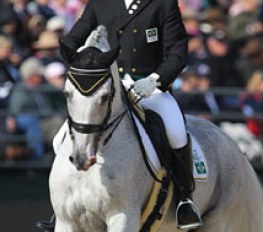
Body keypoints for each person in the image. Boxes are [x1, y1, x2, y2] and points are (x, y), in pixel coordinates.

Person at [38, 0, 202, 230]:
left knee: (175, 131)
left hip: (147, 87)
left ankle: (184, 200)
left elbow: (177, 51)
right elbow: (71, 42)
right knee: (60, 140)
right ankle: (62, 211)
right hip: (105, 86)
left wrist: (155, 79)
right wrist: (89, 52)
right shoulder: (101, 3)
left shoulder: (163, 4)